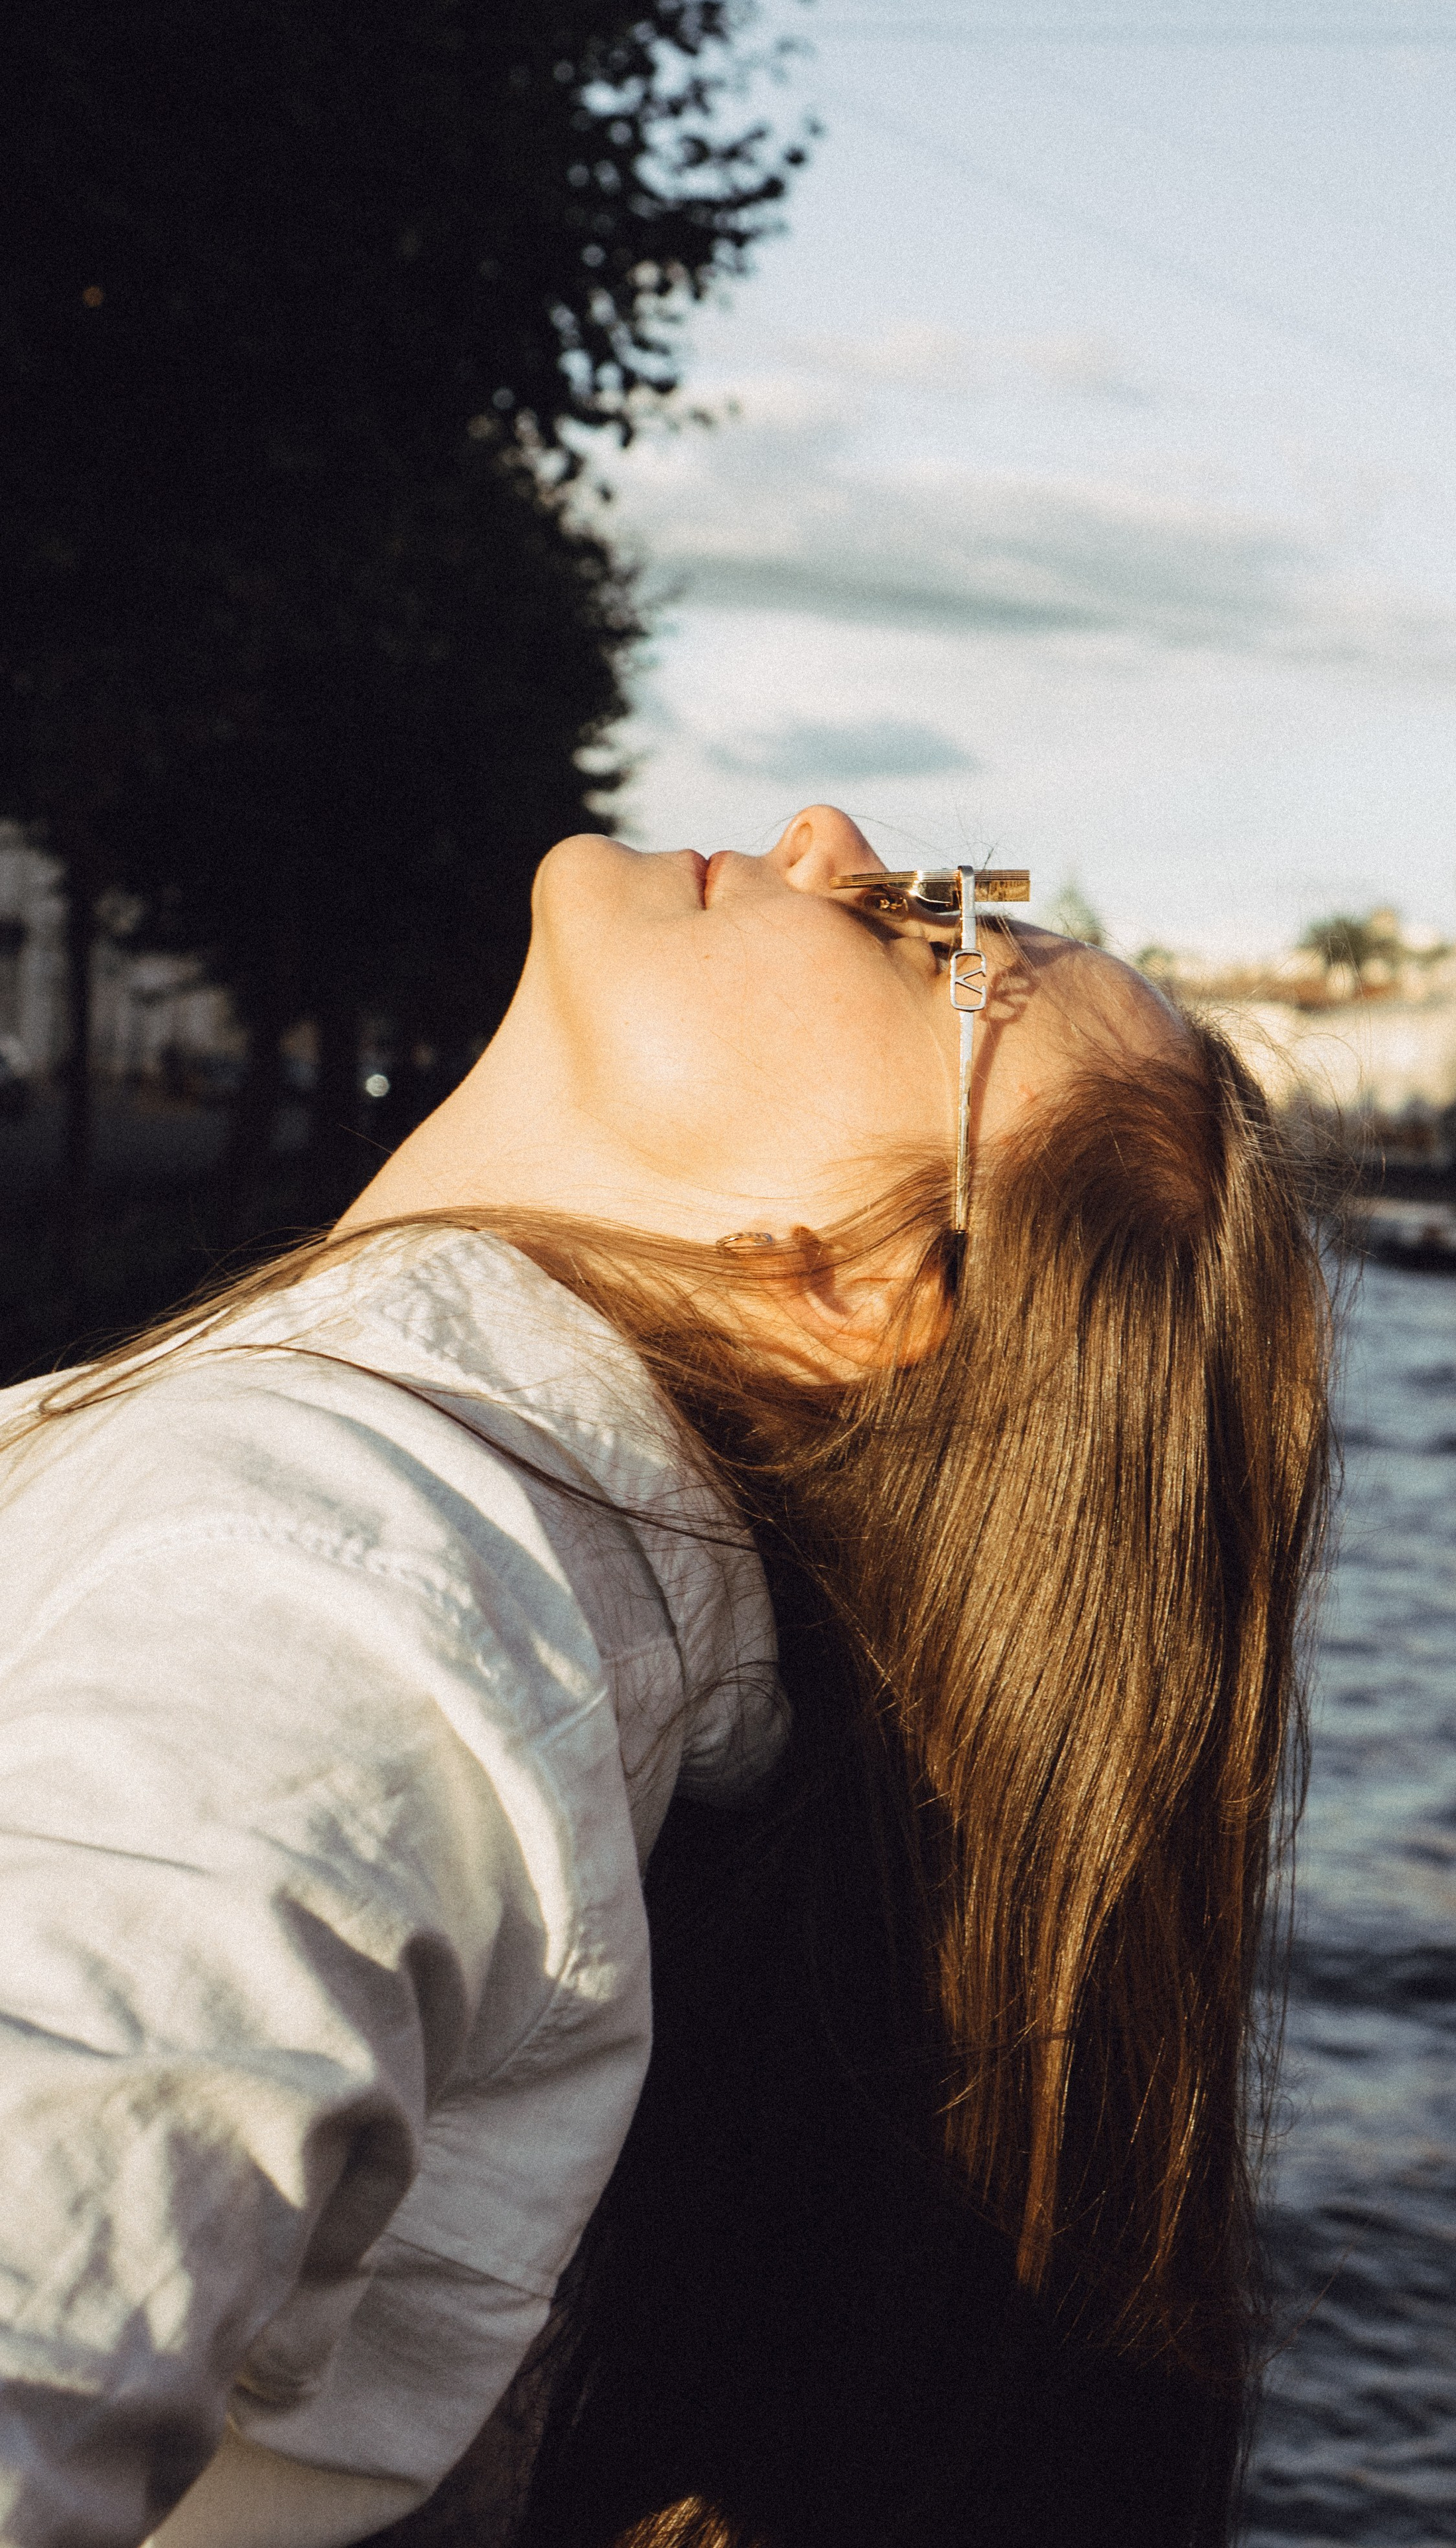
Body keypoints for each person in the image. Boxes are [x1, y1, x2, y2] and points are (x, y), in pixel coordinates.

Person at [0, 806, 1331, 2548]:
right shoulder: (454, 1590)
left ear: (866, 1287)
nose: (828, 839)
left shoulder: (342, 1575)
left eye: (936, 938)